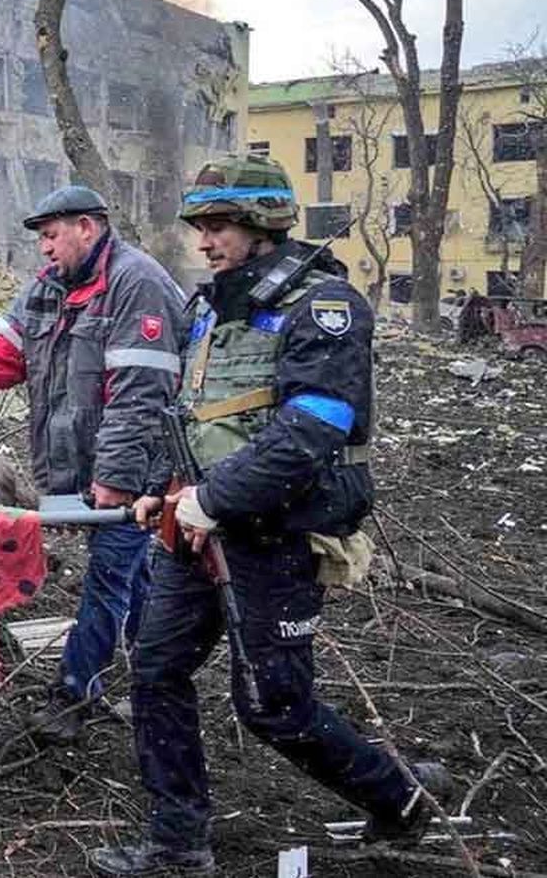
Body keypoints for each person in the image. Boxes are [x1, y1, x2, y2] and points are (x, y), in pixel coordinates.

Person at [88, 155, 450, 875]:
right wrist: (168, 490)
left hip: (274, 534)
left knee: (274, 706)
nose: (205, 240)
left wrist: (212, 500)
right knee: (155, 669)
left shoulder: (324, 308)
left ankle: (400, 803)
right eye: (201, 226)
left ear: (260, 225)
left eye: (218, 225)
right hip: (196, 529)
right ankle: (177, 843)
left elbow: (312, 430)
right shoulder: (210, 307)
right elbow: (196, 418)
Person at [0, 185, 185, 743]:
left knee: (109, 575)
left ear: (88, 226)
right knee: (132, 572)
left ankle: (73, 696)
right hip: (78, 467)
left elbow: (141, 394)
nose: (45, 250)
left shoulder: (137, 284)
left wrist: (117, 479)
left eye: (52, 237)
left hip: (137, 469)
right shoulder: (50, 289)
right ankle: (160, 669)